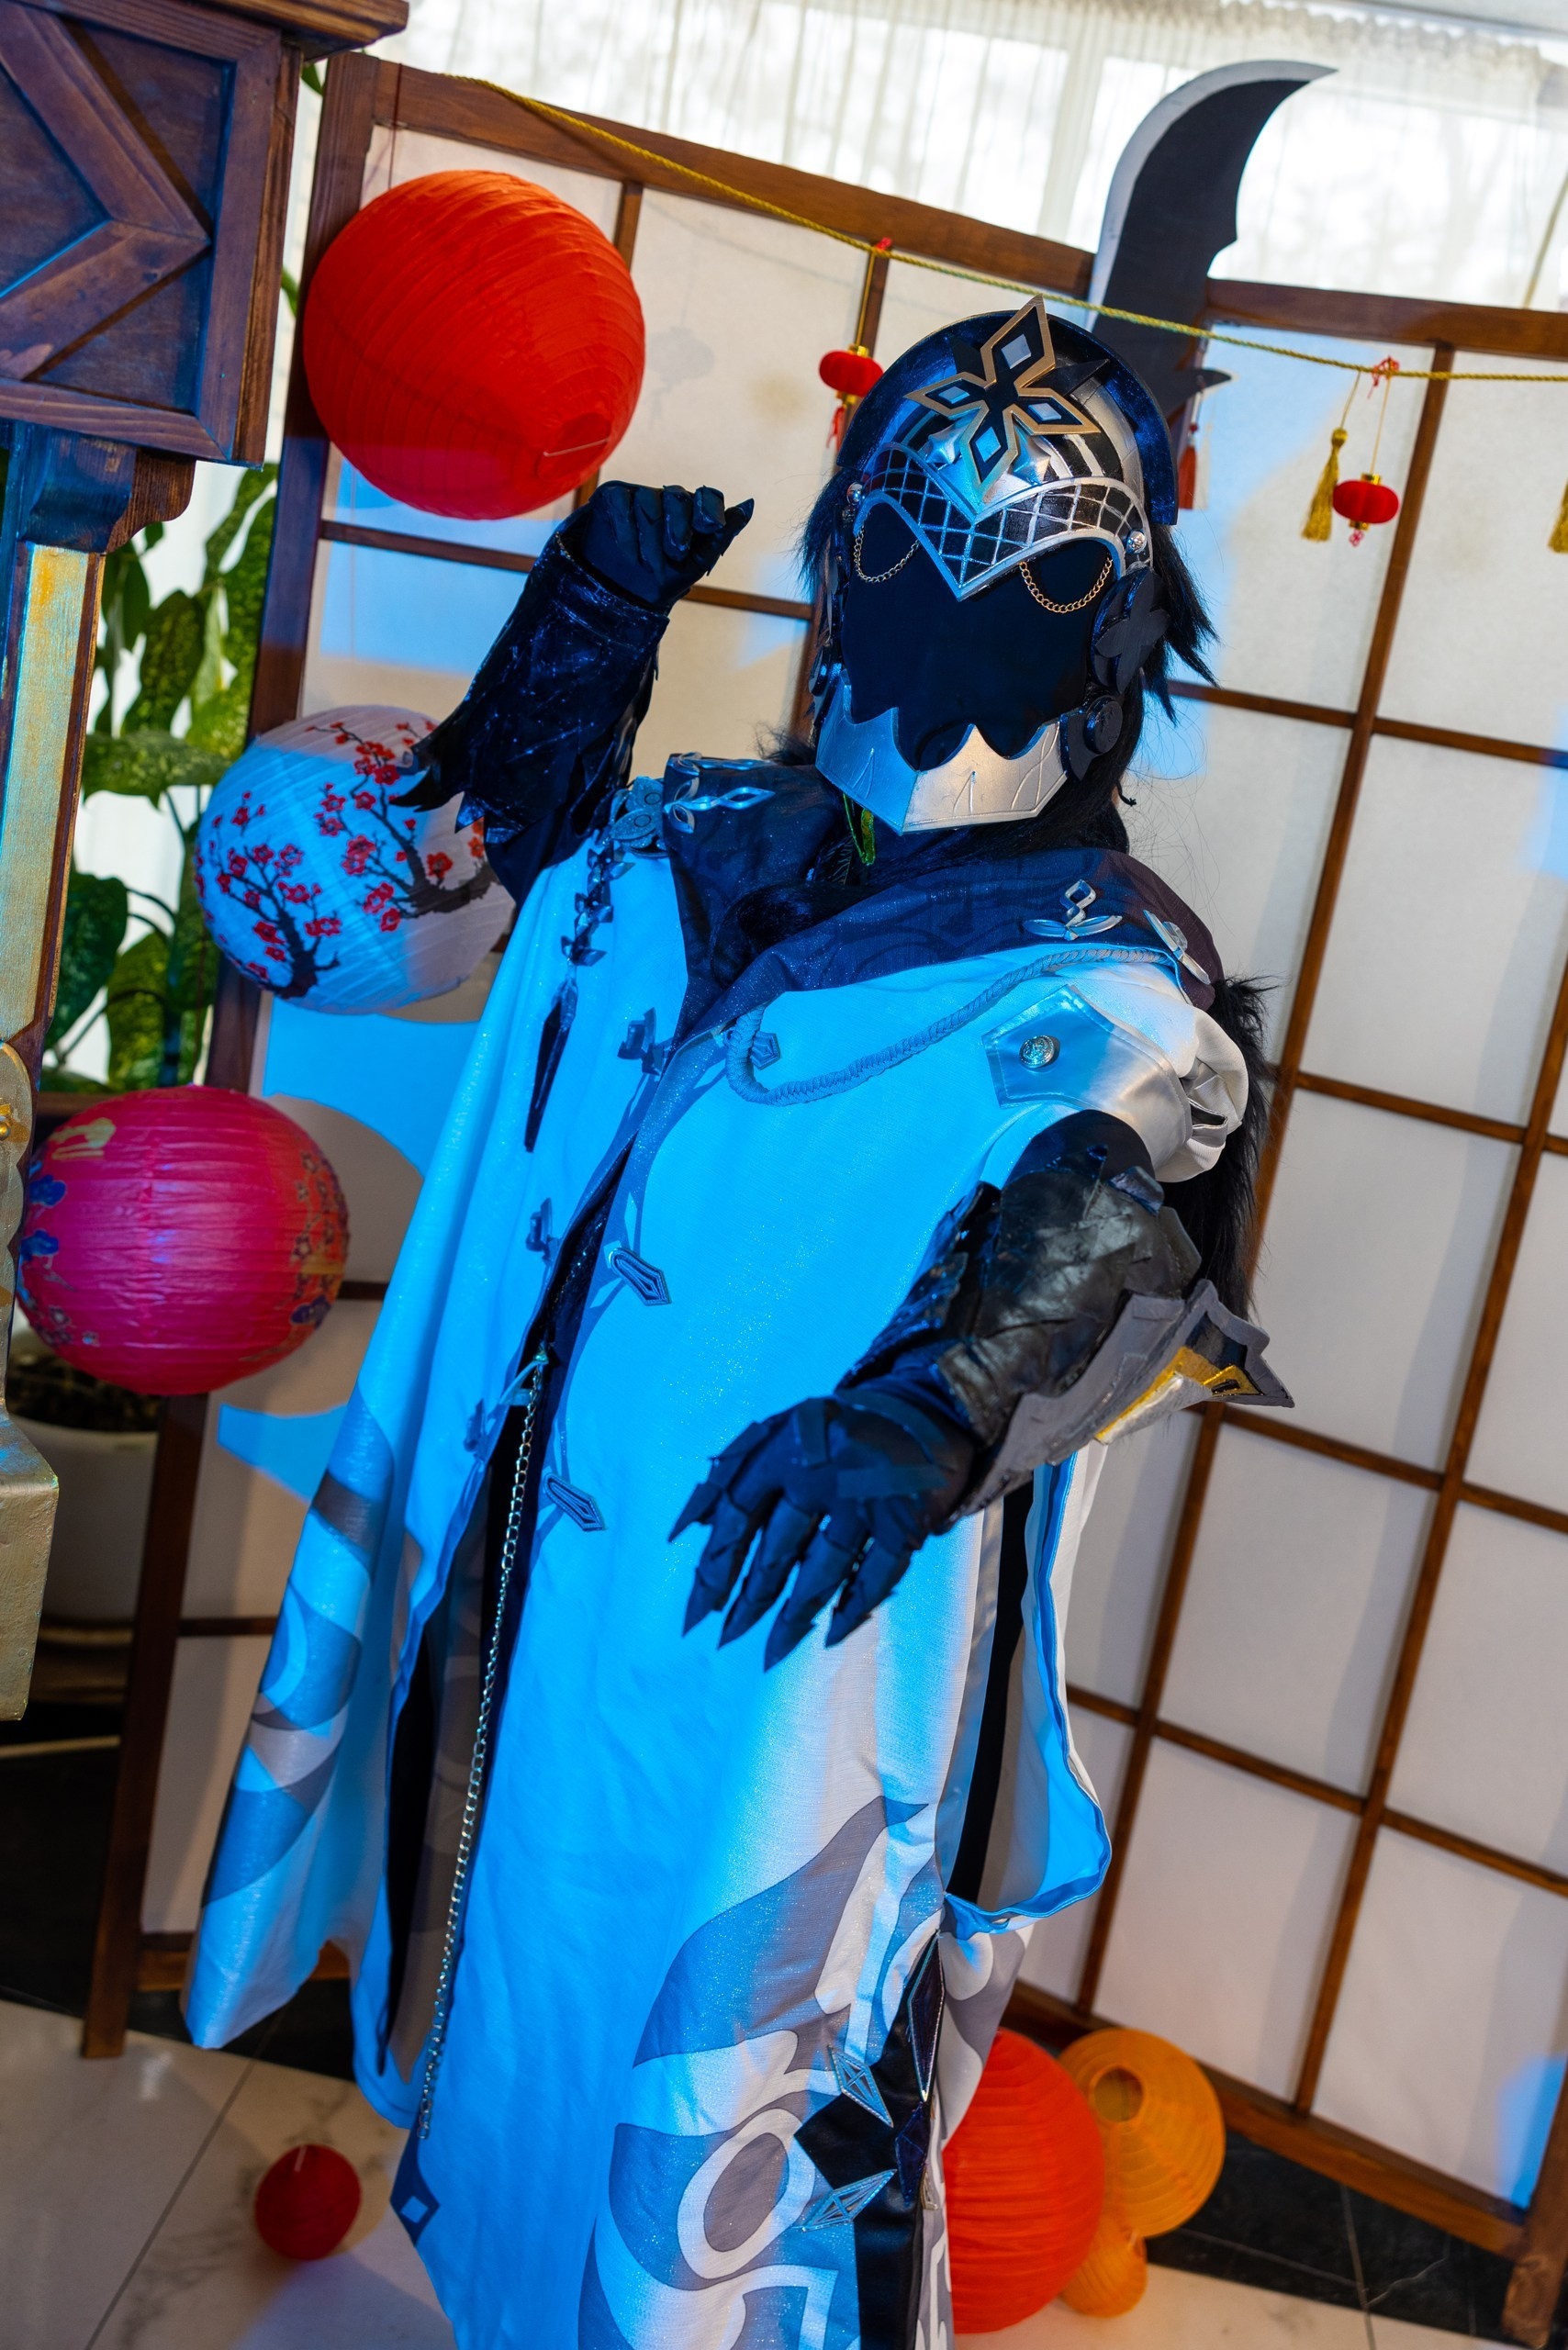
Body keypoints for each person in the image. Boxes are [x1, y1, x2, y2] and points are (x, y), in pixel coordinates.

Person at [186, 298, 1286, 2350]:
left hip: (769, 1630)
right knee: (509, 1951)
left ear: (1114, 626)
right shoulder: (700, 841)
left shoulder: (1106, 975)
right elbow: (501, 876)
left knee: (709, 2051)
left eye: (1037, 572)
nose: (949, 609)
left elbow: (1130, 1198)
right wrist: (581, 633)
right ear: (840, 557)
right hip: (540, 1567)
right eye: (902, 541)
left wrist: (936, 1407)